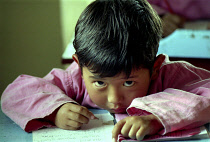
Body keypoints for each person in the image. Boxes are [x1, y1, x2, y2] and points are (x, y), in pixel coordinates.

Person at [1, 0, 210, 142]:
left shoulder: (171, 75)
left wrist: (156, 117)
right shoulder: (76, 78)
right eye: (100, 83)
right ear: (80, 65)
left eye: (128, 82)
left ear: (154, 69)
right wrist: (56, 111)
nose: (113, 99)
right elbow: (16, 93)